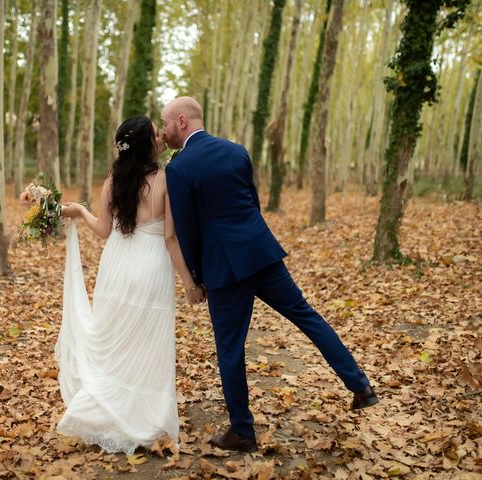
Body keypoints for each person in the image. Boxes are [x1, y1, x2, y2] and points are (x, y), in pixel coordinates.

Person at [161, 97, 379, 453]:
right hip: (261, 253)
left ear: (182, 121)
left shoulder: (179, 168)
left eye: (166, 122)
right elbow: (252, 202)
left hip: (224, 269)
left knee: (230, 348)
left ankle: (242, 431)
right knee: (307, 317)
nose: (164, 129)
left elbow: (186, 229)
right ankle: (361, 386)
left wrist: (197, 277)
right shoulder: (237, 151)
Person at [54, 115, 204, 455]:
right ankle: (143, 417)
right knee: (148, 344)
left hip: (117, 264)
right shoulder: (167, 178)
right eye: (156, 133)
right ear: (146, 144)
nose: (161, 136)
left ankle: (102, 409)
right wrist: (189, 283)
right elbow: (170, 237)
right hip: (150, 266)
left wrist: (80, 211)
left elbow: (105, 230)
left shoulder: (113, 179)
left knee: (117, 339)